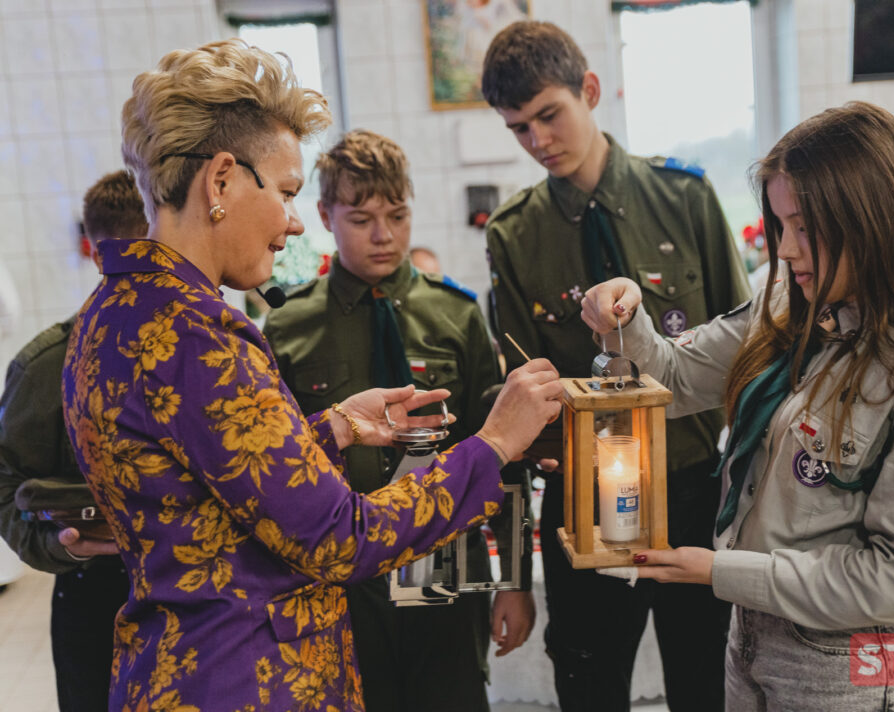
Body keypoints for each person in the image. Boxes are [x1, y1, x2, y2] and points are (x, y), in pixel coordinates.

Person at [62, 38, 562, 712]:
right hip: (246, 678)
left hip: (175, 664)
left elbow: (213, 480)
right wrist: (494, 444)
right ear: (220, 182)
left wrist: (332, 427)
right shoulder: (200, 336)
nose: (293, 225)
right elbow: (339, 537)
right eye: (290, 194)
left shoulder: (115, 311)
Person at [581, 101, 894, 711]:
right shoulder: (788, 305)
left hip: (858, 666)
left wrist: (722, 572)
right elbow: (671, 376)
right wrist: (623, 316)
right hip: (758, 635)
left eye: (805, 227)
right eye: (779, 226)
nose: (787, 249)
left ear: (874, 221)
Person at [481, 21, 750, 712]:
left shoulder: (684, 198)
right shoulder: (515, 236)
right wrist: (511, 569)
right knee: (588, 685)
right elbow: (515, 403)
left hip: (694, 490)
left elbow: (751, 357)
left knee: (706, 685)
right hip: (584, 498)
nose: (538, 140)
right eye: (518, 129)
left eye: (549, 115)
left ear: (589, 91)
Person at [263, 129, 535, 712]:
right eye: (361, 219)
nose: (384, 235)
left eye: (398, 214)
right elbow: (276, 468)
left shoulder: (456, 315)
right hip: (341, 580)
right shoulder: (289, 329)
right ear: (324, 216)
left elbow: (500, 454)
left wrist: (513, 580)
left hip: (443, 564)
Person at [0, 171, 146, 712]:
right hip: (93, 592)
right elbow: (6, 479)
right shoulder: (46, 367)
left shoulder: (211, 351)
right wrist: (53, 545)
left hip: (204, 592)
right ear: (94, 253)